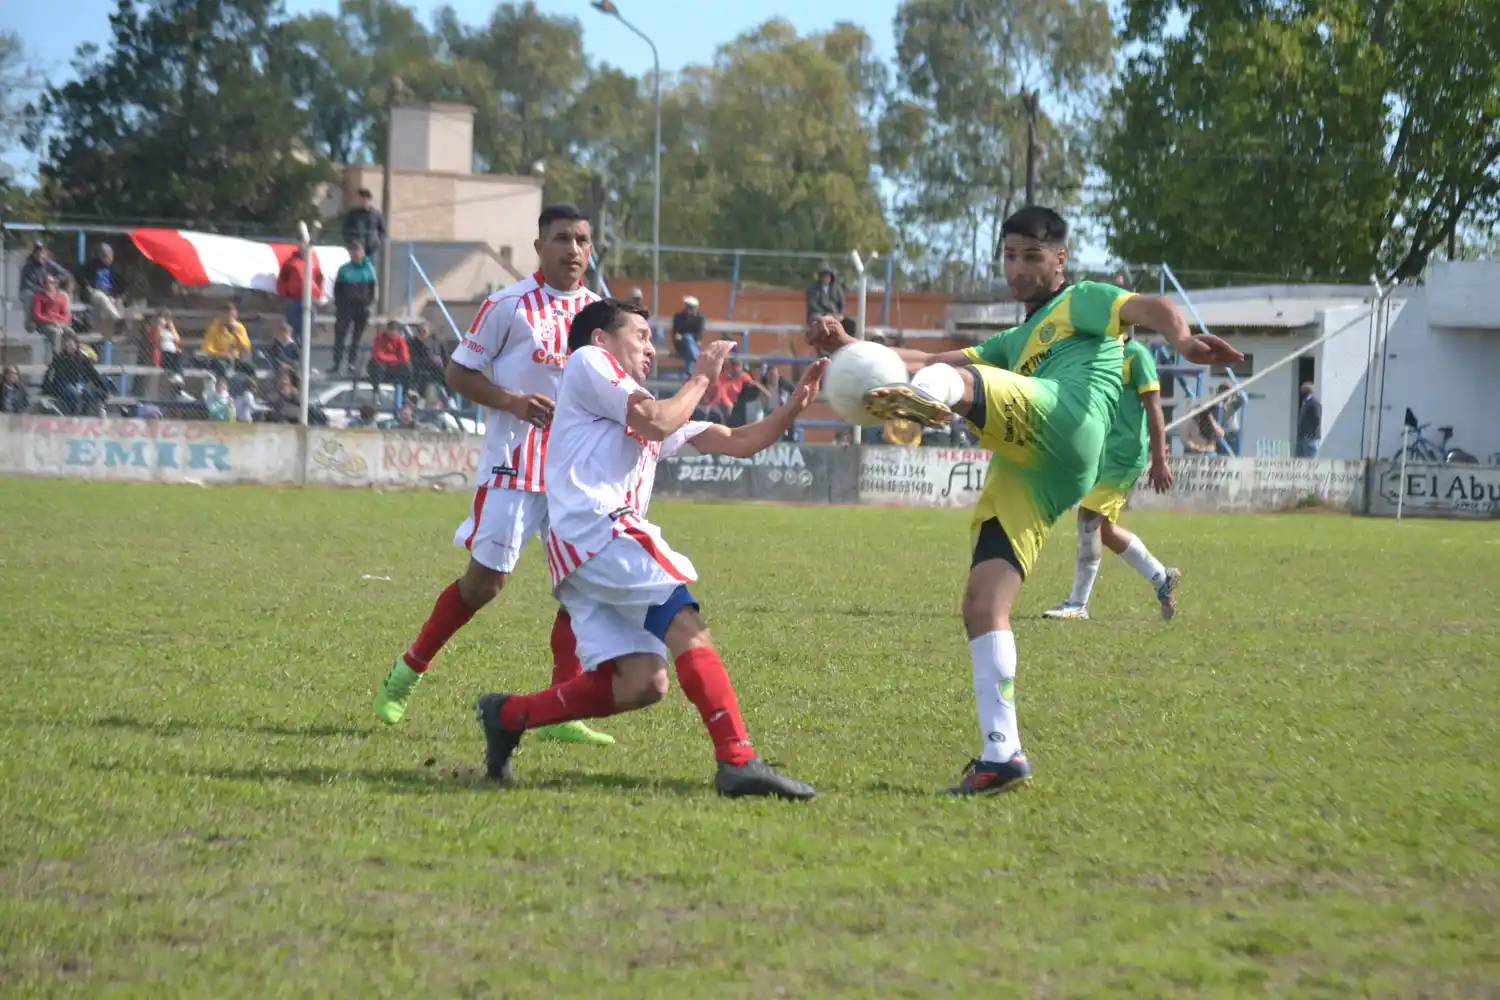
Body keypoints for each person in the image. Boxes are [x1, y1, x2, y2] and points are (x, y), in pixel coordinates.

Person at [807, 206, 1240, 796]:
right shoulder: (1015, 340)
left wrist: (1184, 339)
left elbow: (1153, 307)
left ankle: (921, 407)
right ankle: (1002, 754)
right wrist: (851, 346)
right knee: (982, 601)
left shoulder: (1081, 299)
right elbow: (930, 360)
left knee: (959, 384)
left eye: (1032, 257)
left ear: (1060, 259)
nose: (1017, 268)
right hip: (1040, 469)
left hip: (1067, 418)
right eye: (1009, 256)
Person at [474, 299, 824, 800]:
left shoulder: (638, 404)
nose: (650, 347)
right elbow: (656, 421)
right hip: (599, 529)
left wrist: (794, 407)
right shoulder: (588, 361)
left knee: (642, 683)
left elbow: (737, 441)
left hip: (582, 549)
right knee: (685, 622)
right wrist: (701, 378)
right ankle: (737, 760)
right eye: (640, 335)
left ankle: (506, 715)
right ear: (602, 339)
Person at [374, 203, 611, 745]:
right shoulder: (508, 306)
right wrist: (512, 401)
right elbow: (459, 372)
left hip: (576, 474)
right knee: (485, 584)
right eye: (561, 238)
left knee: (581, 587)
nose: (573, 249)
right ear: (539, 247)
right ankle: (406, 672)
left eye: (581, 239)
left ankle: (561, 710)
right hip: (514, 465)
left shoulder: (601, 315)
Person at [1043, 336, 1180, 621]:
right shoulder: (1099, 353)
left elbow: (1155, 409)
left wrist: (1159, 459)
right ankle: (1160, 577)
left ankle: (1077, 604)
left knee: (1089, 518)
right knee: (1103, 530)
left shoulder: (1137, 355)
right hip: (1100, 452)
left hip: (1123, 454)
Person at [333, 241, 377, 374]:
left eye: (357, 251)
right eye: (352, 252)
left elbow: (372, 290)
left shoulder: (368, 269)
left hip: (361, 309)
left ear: (362, 253)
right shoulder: (344, 269)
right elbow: (337, 289)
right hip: (345, 308)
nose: (355, 254)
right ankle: (336, 364)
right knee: (340, 336)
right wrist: (340, 303)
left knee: (356, 339)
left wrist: (367, 304)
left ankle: (351, 364)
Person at [42, 333, 113, 416]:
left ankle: (84, 415)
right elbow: (60, 375)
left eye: (71, 344)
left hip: (78, 384)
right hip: (62, 384)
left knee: (88, 394)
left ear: (76, 345)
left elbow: (92, 373)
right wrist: (74, 386)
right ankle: (73, 414)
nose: (70, 346)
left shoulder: (82, 358)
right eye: (67, 344)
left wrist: (102, 386)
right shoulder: (60, 358)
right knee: (75, 394)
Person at [275, 238, 324, 338]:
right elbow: (282, 280)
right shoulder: (290, 263)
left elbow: (319, 279)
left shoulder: (314, 262)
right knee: (294, 329)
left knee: (307, 330)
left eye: (306, 244)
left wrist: (319, 295)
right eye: (302, 244)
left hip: (310, 300)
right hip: (293, 300)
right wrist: (285, 296)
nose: (304, 247)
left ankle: (304, 346)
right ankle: (295, 346)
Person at [78, 242, 125, 335]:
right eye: (107, 256)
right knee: (102, 297)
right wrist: (87, 286)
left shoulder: (114, 269)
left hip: (109, 294)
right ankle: (118, 320)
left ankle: (116, 329)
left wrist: (114, 296)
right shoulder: (91, 264)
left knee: (118, 301)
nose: (110, 259)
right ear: (101, 256)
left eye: (111, 256)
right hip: (94, 293)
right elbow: (79, 275)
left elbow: (121, 285)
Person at [201, 302, 255, 378]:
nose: (230, 319)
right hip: (217, 359)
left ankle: (251, 384)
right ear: (222, 316)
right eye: (228, 316)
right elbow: (207, 349)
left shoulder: (239, 327)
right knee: (221, 366)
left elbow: (246, 347)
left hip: (234, 359)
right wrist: (221, 354)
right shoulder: (214, 328)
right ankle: (222, 384)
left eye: (232, 316)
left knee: (249, 368)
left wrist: (236, 335)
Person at [342, 188, 386, 264]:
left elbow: (382, 230)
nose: (362, 202)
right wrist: (351, 242)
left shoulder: (376, 214)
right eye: (360, 199)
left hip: (371, 248)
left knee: (370, 268)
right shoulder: (353, 213)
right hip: (356, 249)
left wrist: (378, 241)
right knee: (357, 268)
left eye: (365, 199)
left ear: (369, 200)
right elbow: (346, 230)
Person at [30, 274, 72, 354]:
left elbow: (66, 314)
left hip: (60, 323)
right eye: (49, 282)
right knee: (56, 333)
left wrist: (62, 322)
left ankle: (70, 356)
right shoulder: (39, 296)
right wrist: (51, 321)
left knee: (70, 332)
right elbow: (37, 314)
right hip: (45, 324)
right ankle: (56, 356)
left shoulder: (61, 296)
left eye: (53, 282)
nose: (52, 284)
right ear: (44, 284)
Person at [367, 321, 411, 396]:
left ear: (397, 332)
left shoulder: (400, 340)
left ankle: (405, 394)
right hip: (382, 368)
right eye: (390, 330)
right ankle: (376, 392)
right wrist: (396, 358)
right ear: (387, 330)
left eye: (394, 331)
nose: (392, 333)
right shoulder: (380, 338)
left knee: (407, 367)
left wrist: (386, 357)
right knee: (376, 365)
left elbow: (405, 357)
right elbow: (378, 356)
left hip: (394, 368)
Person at [407, 321, 448, 402]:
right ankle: (416, 396)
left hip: (436, 371)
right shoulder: (414, 343)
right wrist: (431, 360)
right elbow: (414, 360)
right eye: (419, 331)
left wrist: (439, 361)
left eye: (424, 331)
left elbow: (445, 359)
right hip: (420, 371)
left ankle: (449, 398)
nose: (421, 334)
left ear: (430, 332)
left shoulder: (438, 342)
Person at [671, 295, 704, 376]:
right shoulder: (678, 317)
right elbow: (675, 333)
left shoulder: (699, 318)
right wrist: (679, 336)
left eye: (691, 307)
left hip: (693, 345)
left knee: (689, 346)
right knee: (688, 338)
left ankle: (689, 373)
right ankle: (697, 357)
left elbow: (699, 335)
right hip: (681, 345)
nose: (689, 309)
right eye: (688, 307)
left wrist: (694, 340)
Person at [1218, 381, 1246, 456]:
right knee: (1220, 457)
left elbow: (1243, 400)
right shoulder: (1217, 403)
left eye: (1226, 390)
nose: (1224, 393)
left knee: (1233, 457)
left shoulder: (1233, 403)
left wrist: (1237, 391)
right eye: (1222, 390)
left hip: (1232, 434)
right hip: (1220, 434)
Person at [1296, 382, 1321, 458]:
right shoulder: (1306, 402)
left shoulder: (1314, 402)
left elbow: (1316, 419)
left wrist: (1308, 432)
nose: (1301, 392)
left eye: (1303, 390)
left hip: (1311, 438)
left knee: (1311, 461)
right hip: (1304, 438)